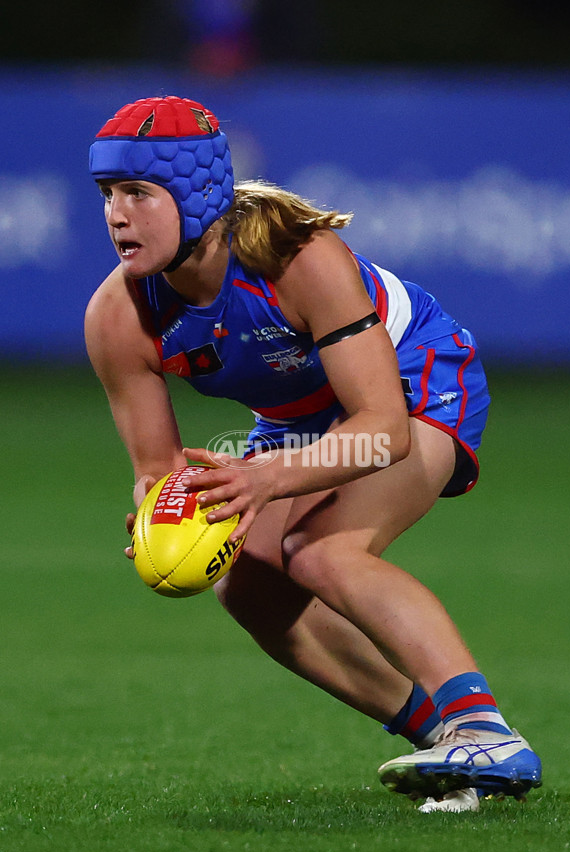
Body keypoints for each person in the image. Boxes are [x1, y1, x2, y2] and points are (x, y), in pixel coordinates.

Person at [85, 95, 542, 814]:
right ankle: (443, 748)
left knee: (322, 551)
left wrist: (264, 476)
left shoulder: (297, 258)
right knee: (249, 584)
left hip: (415, 379)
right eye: (108, 193)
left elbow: (382, 429)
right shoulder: (116, 318)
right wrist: (162, 520)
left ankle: (484, 729)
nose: (116, 213)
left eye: (139, 192)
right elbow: (157, 469)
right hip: (299, 416)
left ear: (197, 191)